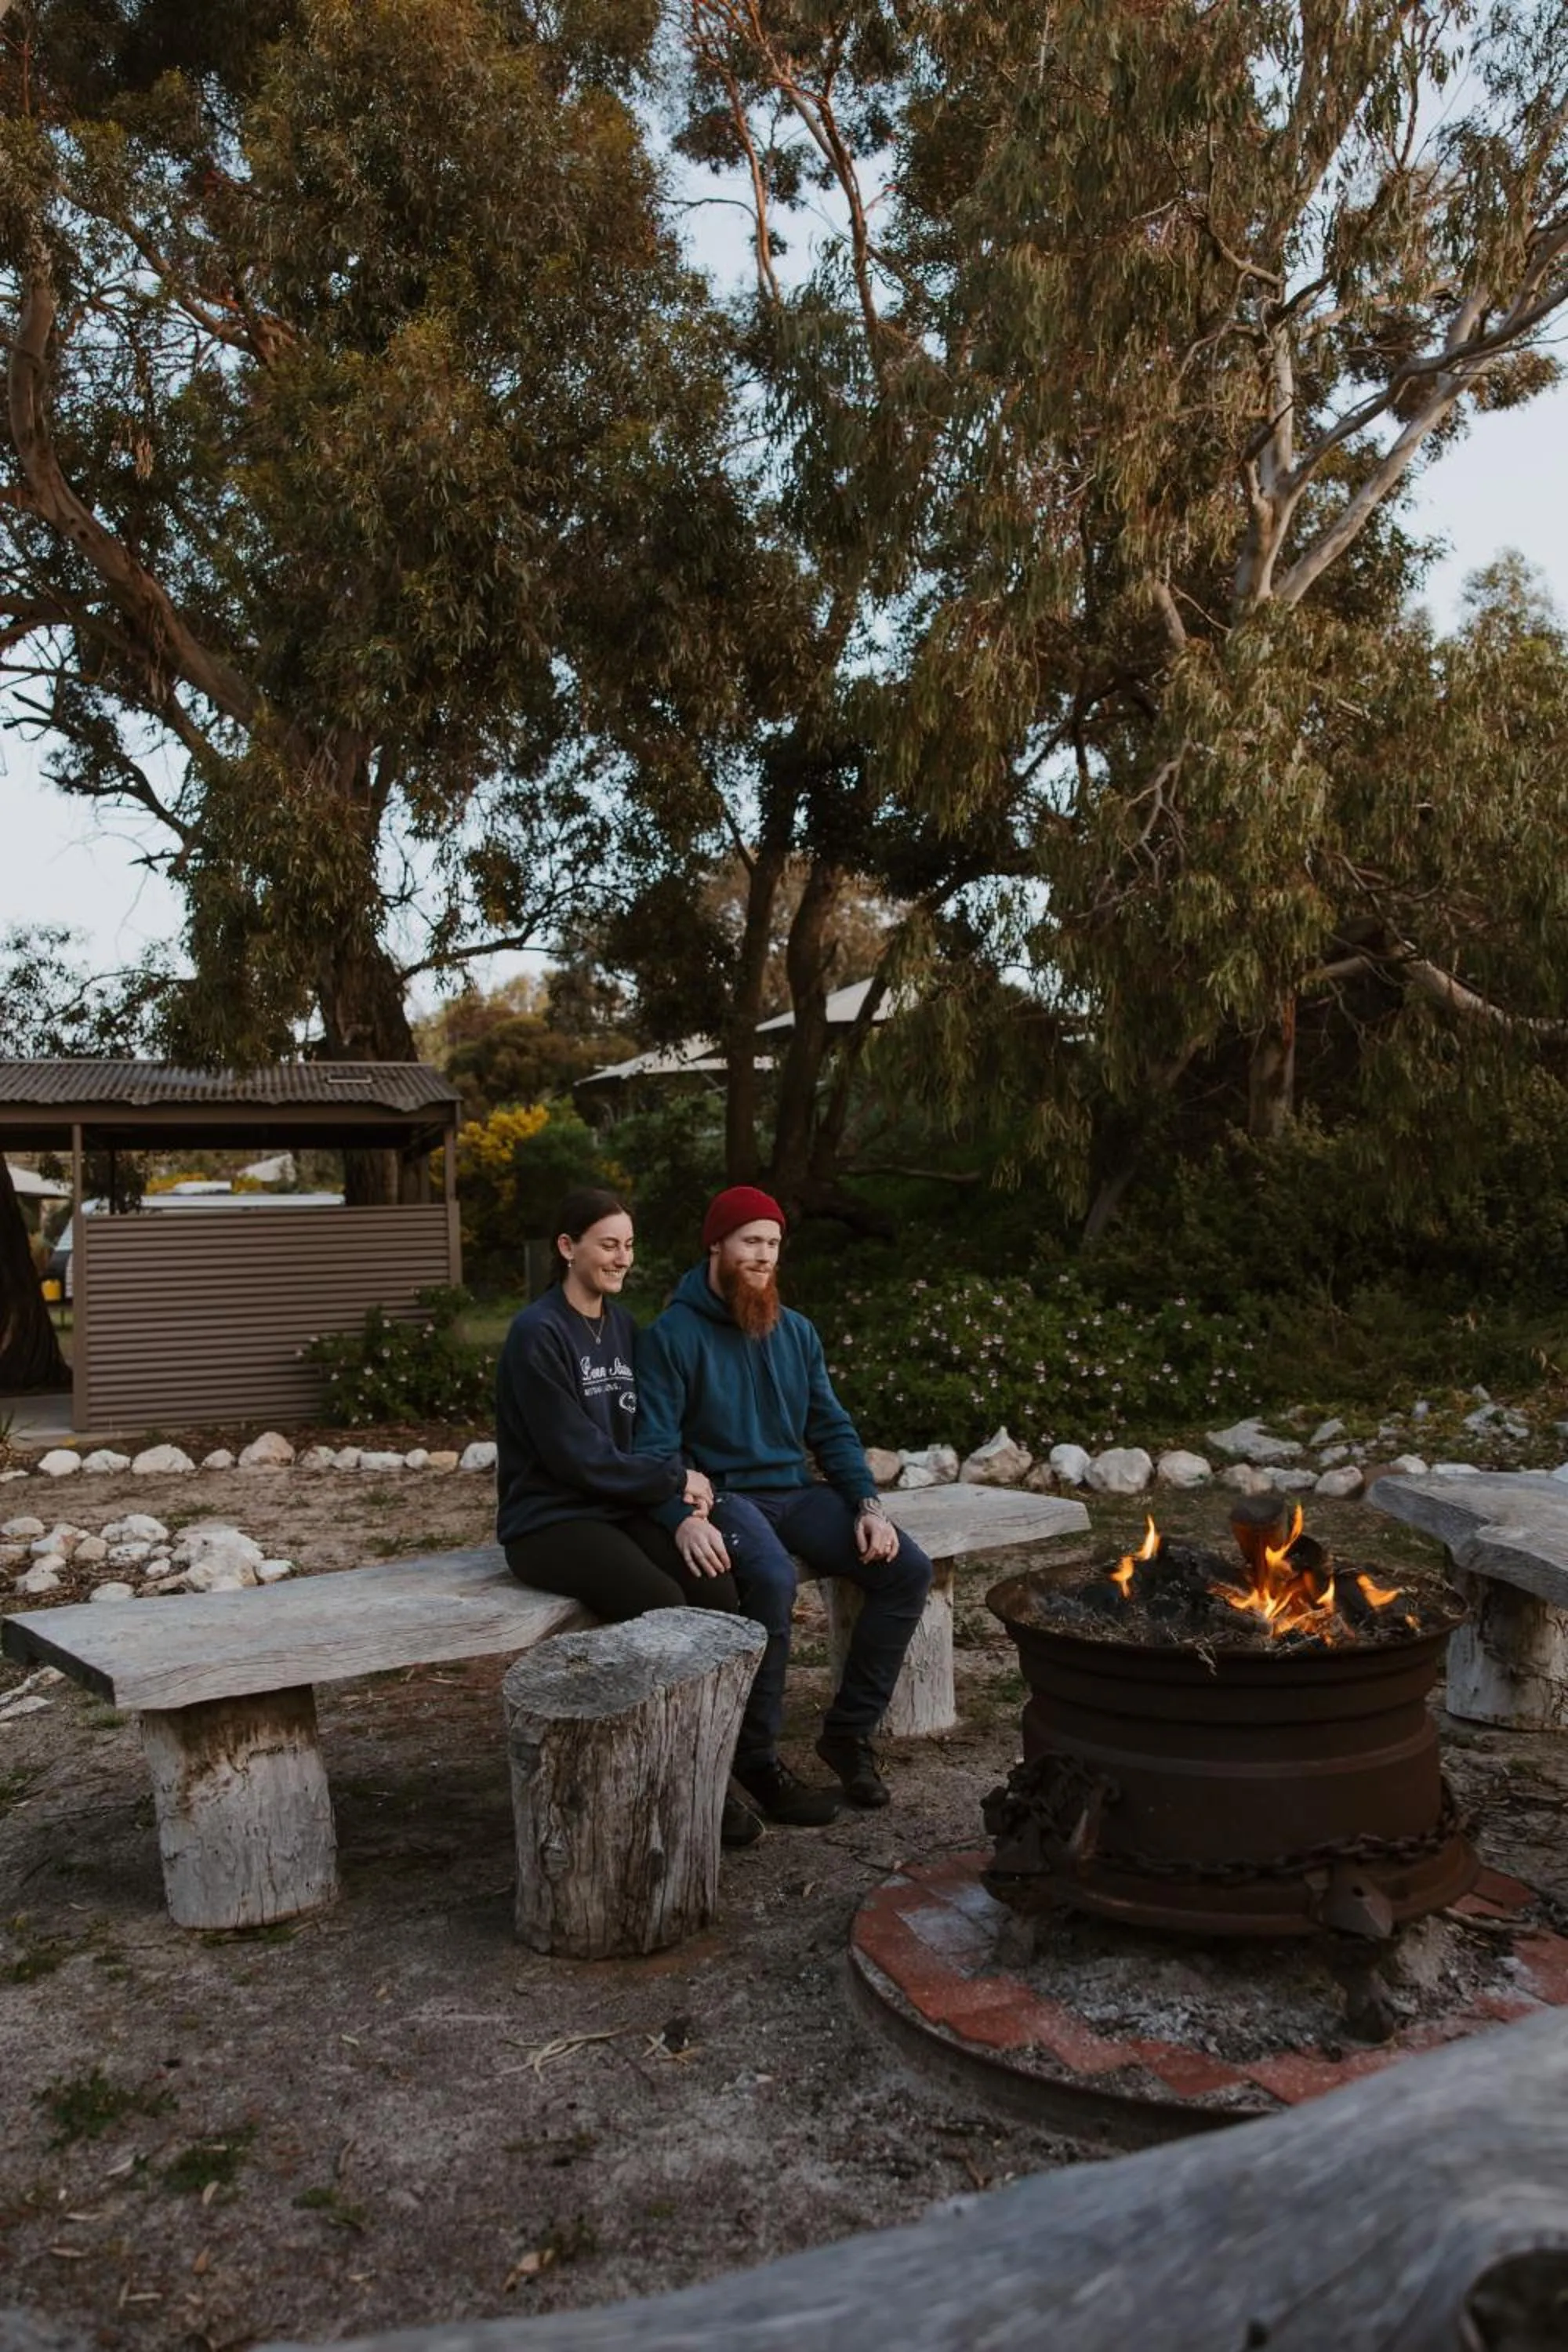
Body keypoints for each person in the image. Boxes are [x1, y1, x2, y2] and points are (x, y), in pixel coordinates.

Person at [633, 1185, 933, 1825]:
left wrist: (868, 1505)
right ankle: (756, 1756)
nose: (764, 1255)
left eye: (772, 1244)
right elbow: (653, 1448)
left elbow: (831, 1428)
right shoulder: (670, 1336)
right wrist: (680, 1516)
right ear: (716, 1244)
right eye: (750, 1242)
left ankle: (847, 1735)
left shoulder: (795, 1332)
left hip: (796, 1492)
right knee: (770, 1578)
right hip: (728, 1497)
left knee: (907, 1568)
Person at [495, 1185, 760, 1847]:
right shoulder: (538, 1333)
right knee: (660, 1600)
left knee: (716, 1588)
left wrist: (678, 1504)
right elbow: (575, 1456)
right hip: (547, 1521)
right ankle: (686, 1781)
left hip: (613, 1506)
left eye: (629, 1245)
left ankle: (711, 1755)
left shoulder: (621, 1327)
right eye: (608, 1244)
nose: (622, 1258)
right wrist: (673, 1478)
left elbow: (642, 1437)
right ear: (568, 1248)